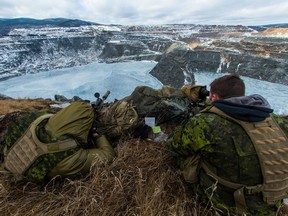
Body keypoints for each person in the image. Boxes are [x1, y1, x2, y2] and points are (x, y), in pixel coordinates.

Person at [168, 74, 288, 215]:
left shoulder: (206, 123)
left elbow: (174, 146)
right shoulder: (277, 122)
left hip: (234, 204)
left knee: (186, 157)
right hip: (272, 201)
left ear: (213, 97)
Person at [0, 101, 115, 184]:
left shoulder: (38, 119)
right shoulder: (69, 157)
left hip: (9, 157)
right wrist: (96, 133)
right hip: (22, 175)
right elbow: (108, 155)